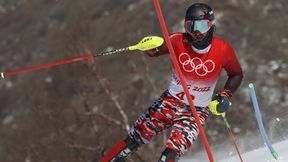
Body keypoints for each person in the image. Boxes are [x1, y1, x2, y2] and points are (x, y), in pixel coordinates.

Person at [100, 3, 243, 162]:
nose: (196, 32)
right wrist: (150, 47)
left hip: (195, 111)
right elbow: (156, 50)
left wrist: (225, 95)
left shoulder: (223, 50)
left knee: (171, 153)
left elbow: (236, 74)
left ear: (212, 25)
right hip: (169, 101)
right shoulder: (178, 40)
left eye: (202, 26)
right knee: (136, 136)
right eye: (191, 26)